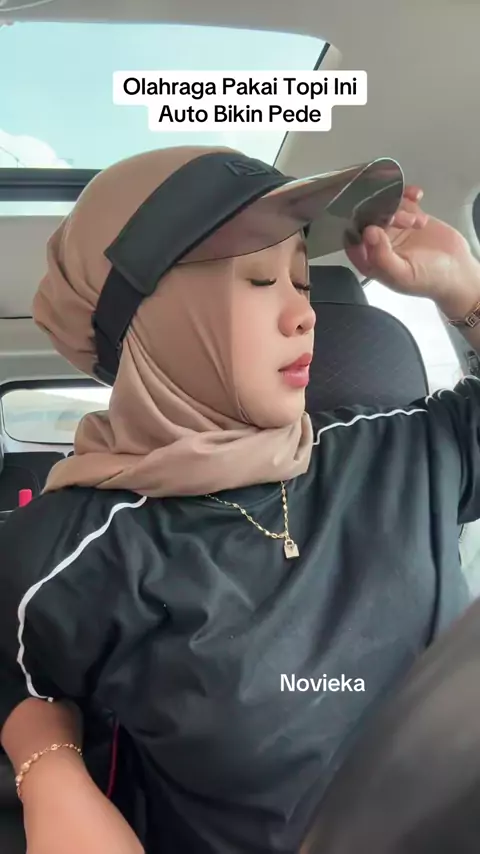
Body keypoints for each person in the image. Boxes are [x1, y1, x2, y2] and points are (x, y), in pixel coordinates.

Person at [1, 143, 480, 854]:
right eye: (259, 280)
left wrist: (467, 291)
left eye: (301, 280)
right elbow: (16, 678)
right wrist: (49, 770)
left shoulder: (398, 451)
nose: (303, 314)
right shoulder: (71, 547)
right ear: (152, 318)